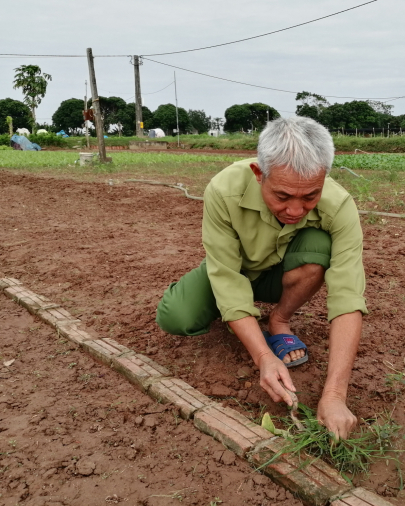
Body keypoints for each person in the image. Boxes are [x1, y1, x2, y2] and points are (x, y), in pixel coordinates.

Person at [156, 116, 367, 439]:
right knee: (177, 317)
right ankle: (235, 317)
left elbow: (347, 297)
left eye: (310, 196)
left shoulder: (339, 206)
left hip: (279, 275)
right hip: (235, 269)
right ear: (259, 174)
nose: (296, 211)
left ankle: (278, 322)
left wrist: (336, 395)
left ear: (324, 178)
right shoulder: (224, 190)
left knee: (318, 245)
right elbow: (226, 275)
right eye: (282, 197)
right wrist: (264, 357)